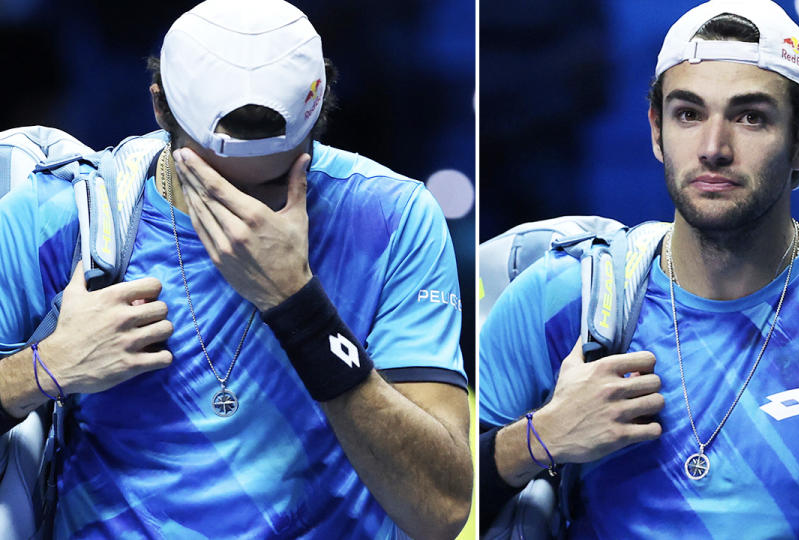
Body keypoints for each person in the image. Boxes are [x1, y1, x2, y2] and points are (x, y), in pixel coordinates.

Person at [478, 0, 799, 537]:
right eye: (688, 114)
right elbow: (429, 501)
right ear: (657, 132)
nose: (713, 148)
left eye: (750, 116)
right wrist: (540, 438)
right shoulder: (563, 299)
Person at [0, 0, 471, 538]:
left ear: (319, 116)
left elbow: (441, 510)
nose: (244, 216)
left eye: (274, 188)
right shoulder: (57, 216)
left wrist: (300, 307)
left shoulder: (392, 218)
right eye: (210, 184)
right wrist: (41, 369)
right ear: (160, 108)